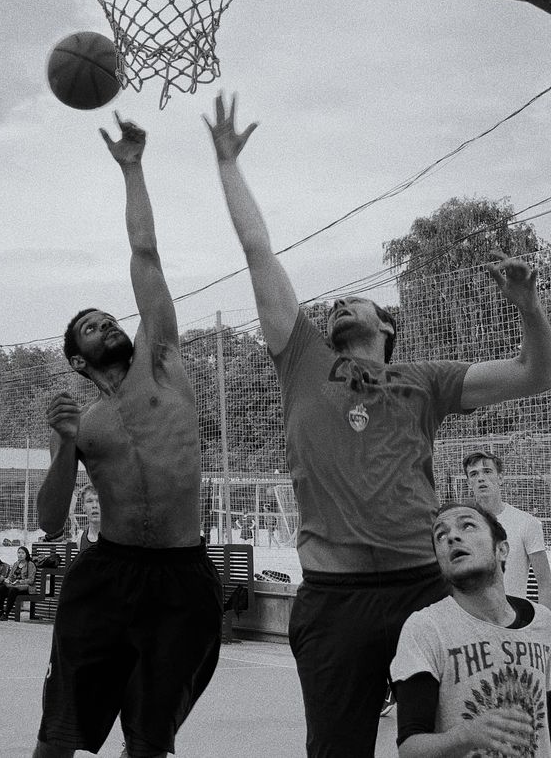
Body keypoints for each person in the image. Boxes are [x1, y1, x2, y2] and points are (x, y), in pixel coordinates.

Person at [205, 90, 551, 758]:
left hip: (424, 585)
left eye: (354, 300)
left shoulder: (425, 380)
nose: (338, 302)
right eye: (336, 300)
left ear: (387, 327)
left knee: (458, 741)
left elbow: (535, 374)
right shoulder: (302, 357)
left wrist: (529, 305)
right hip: (334, 599)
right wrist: (226, 161)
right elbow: (257, 249)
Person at [32, 113, 223, 758]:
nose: (105, 322)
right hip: (107, 573)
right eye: (89, 326)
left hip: (182, 573)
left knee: (149, 741)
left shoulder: (161, 360)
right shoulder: (84, 423)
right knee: (59, 732)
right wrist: (61, 448)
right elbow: (51, 523)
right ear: (78, 361)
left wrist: (133, 168)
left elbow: (146, 254)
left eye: (106, 315)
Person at [391, 502, 551, 757]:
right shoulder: (425, 628)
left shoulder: (542, 623)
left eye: (467, 525)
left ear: (502, 549)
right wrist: (465, 736)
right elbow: (409, 750)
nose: (452, 536)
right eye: (440, 535)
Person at [464, 448, 551, 608]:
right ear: (469, 483)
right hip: (471, 623)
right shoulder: (459, 527)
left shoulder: (526, 523)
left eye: (487, 471)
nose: (481, 478)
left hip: (513, 623)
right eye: (474, 474)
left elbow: (545, 583)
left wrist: (544, 626)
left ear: (500, 478)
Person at [0, 545, 37, 620]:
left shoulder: (30, 564)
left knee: (12, 591)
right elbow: (10, 576)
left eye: (22, 553)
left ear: (26, 554)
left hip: (26, 589)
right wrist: (8, 580)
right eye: (19, 553)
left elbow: (31, 580)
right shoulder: (16, 564)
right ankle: (0, 611)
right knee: (1, 588)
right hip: (14, 586)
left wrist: (20, 581)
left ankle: (6, 613)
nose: (20, 555)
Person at [77, 485, 101, 552]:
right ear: (83, 507)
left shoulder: (116, 538)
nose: (94, 506)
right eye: (89, 501)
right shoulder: (80, 540)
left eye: (98, 501)